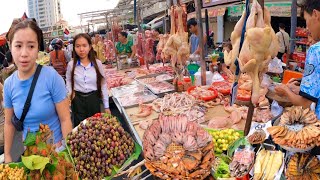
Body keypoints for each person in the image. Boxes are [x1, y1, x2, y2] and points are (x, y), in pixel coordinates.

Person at [3, 19, 73, 163]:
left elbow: (65, 119)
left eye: (31, 46)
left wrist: (68, 154)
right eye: (18, 46)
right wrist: (8, 155)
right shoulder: (9, 85)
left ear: (38, 48)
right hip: (31, 157)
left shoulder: (51, 77)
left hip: (56, 153)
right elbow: (9, 123)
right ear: (10, 47)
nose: (24, 53)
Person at [275, 0, 320, 119]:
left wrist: (286, 90)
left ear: (315, 14)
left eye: (306, 20)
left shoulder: (316, 51)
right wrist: (301, 89)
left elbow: (306, 104)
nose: (307, 28)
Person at [66, 33, 110, 127]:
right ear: (74, 48)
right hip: (77, 100)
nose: (81, 49)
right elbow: (68, 80)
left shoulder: (97, 63)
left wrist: (106, 106)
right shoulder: (71, 64)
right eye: (78, 46)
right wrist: (70, 93)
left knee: (95, 128)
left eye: (84, 45)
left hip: (93, 99)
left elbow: (103, 84)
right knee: (80, 128)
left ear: (90, 47)